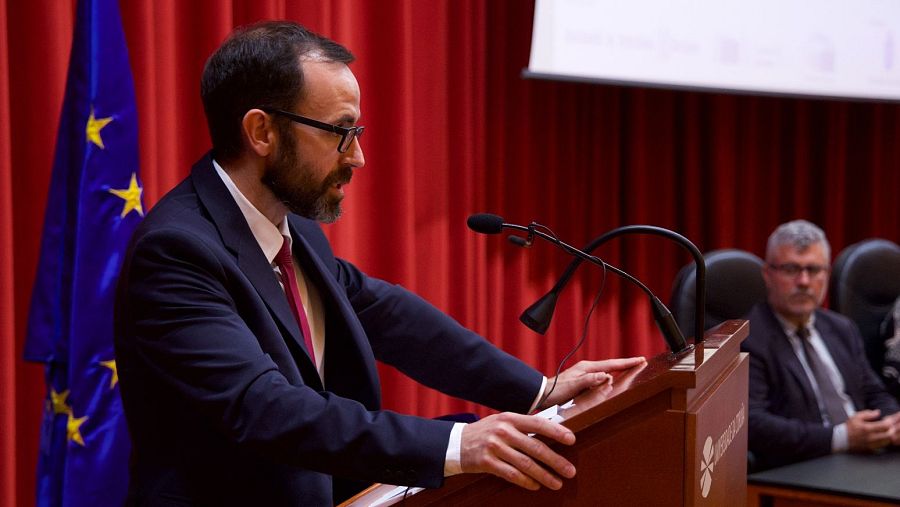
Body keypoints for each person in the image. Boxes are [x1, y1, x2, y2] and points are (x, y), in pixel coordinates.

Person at [113, 20, 645, 506]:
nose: (357, 156)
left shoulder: (291, 227)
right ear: (262, 133)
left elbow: (385, 314)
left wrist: (538, 391)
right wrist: (460, 443)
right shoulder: (177, 252)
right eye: (341, 131)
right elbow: (264, 408)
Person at [741, 220, 900, 471]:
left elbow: (873, 392)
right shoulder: (749, 337)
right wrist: (841, 438)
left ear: (826, 274)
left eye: (814, 270)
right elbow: (753, 423)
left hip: (868, 459)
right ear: (768, 275)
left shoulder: (841, 328)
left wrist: (892, 422)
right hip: (803, 467)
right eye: (791, 269)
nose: (804, 281)